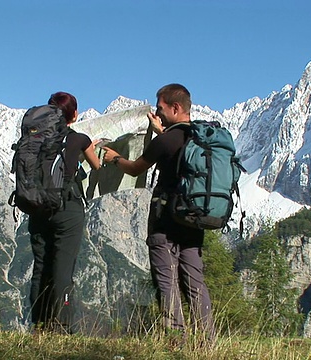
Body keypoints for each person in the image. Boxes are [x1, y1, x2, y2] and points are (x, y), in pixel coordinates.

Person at [102, 84, 215, 343]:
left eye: (161, 108)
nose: (158, 112)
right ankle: (207, 343)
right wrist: (160, 130)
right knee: (195, 283)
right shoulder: (199, 138)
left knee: (167, 281)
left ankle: (176, 341)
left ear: (175, 108)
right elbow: (176, 151)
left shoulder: (165, 141)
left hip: (165, 222)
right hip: (194, 220)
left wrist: (114, 158)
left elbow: (134, 168)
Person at [28, 91, 101, 333]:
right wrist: (91, 147)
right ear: (75, 115)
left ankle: (38, 323)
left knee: (41, 266)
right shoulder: (78, 138)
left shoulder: (35, 140)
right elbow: (97, 165)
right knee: (63, 269)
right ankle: (61, 326)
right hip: (67, 208)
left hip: (37, 207)